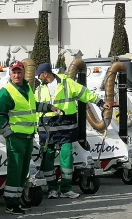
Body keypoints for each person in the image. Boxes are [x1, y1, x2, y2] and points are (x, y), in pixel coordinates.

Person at [0, 61, 59, 214]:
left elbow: (32, 106)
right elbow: (0, 117)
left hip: (28, 136)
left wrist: (49, 107)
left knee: (23, 171)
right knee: (15, 170)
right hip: (16, 137)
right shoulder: (6, 92)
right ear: (10, 74)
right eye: (14, 72)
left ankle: (17, 200)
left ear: (23, 73)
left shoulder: (27, 88)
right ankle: (10, 203)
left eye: (19, 72)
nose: (17, 75)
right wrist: (8, 134)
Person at [33, 63, 102, 199]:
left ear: (45, 74)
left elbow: (84, 93)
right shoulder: (39, 90)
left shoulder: (67, 83)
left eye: (39, 75)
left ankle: (66, 188)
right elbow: (35, 107)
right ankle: (52, 188)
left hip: (65, 124)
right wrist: (37, 125)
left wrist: (99, 102)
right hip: (47, 126)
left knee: (67, 155)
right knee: (47, 156)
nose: (38, 77)